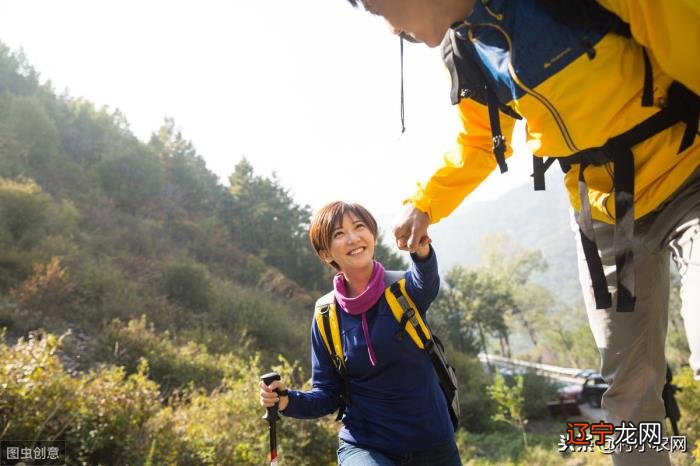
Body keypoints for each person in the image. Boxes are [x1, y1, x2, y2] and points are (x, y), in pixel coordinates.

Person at [344, 1, 699, 465]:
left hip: (688, 171)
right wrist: (426, 203)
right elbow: (481, 141)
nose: (391, 29)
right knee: (628, 389)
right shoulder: (466, 49)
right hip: (606, 217)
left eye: (378, 8)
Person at [258, 201, 461, 466]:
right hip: (366, 447)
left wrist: (421, 249)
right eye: (338, 234)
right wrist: (286, 400)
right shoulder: (325, 315)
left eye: (359, 227)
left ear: (372, 234)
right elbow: (327, 394)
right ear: (325, 252)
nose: (353, 238)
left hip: (432, 443)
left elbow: (427, 283)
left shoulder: (403, 290)